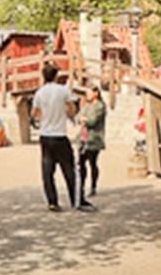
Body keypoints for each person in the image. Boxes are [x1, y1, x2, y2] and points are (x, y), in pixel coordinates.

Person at [31, 62, 84, 211]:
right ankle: (75, 199)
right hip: (60, 134)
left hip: (45, 135)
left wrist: (43, 118)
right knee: (69, 169)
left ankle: (52, 201)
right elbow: (72, 107)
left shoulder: (39, 93)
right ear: (56, 76)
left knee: (47, 170)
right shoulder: (63, 90)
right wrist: (68, 114)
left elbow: (34, 113)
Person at [76, 84, 107, 204]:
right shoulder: (86, 105)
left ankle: (93, 185)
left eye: (89, 93)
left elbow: (92, 121)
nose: (87, 95)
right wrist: (82, 119)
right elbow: (78, 117)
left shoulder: (100, 106)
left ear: (96, 93)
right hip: (83, 138)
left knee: (92, 162)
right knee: (81, 162)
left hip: (94, 138)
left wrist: (84, 119)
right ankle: (81, 186)